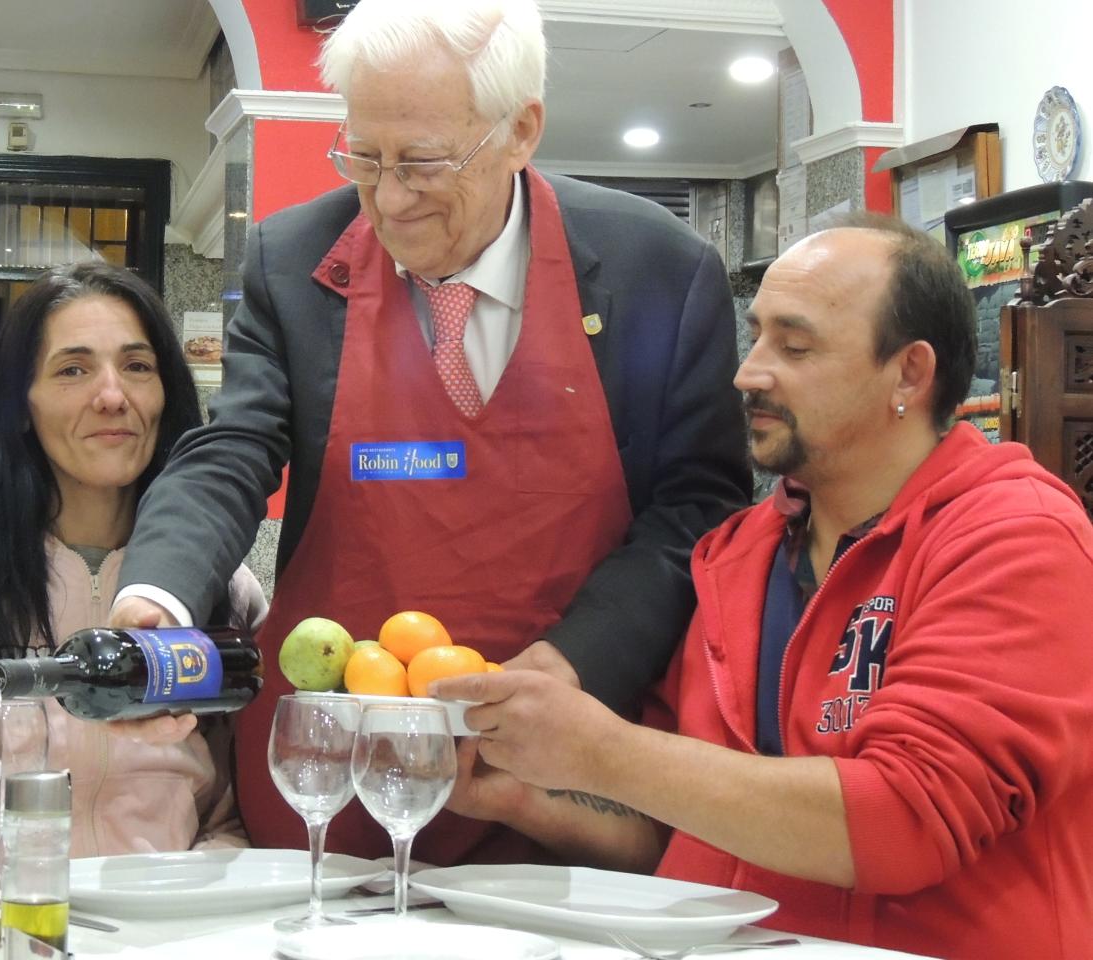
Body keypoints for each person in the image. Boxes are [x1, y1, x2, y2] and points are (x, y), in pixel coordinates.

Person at [110, 0, 749, 863]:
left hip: (564, 778)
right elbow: (234, 448)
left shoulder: (656, 273)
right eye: (363, 158)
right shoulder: (293, 259)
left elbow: (699, 505)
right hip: (335, 771)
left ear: (520, 131)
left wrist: (571, 664)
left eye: (422, 163)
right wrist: (162, 596)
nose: (389, 199)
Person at [434, 217, 1093, 959]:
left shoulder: (1015, 536)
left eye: (795, 346)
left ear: (909, 373)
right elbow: (681, 832)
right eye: (756, 338)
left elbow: (910, 819)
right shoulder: (736, 553)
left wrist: (602, 750)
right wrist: (520, 792)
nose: (749, 372)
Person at [0, 262, 266, 856]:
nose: (112, 396)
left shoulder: (221, 587)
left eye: (137, 367)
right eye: (73, 370)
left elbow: (238, 814)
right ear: (21, 404)